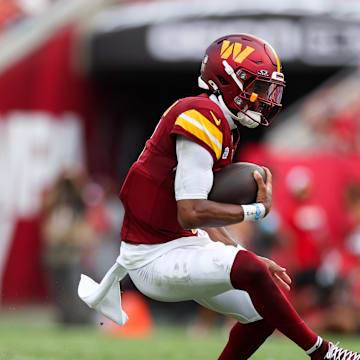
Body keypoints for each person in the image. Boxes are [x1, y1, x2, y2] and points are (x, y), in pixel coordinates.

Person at [79, 34, 360, 359]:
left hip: (180, 242)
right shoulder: (201, 116)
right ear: (229, 80)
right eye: (256, 86)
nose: (263, 97)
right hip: (152, 256)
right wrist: (255, 212)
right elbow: (190, 211)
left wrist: (241, 250)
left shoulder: (220, 123)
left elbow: (200, 217)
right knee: (253, 272)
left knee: (263, 309)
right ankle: (322, 352)